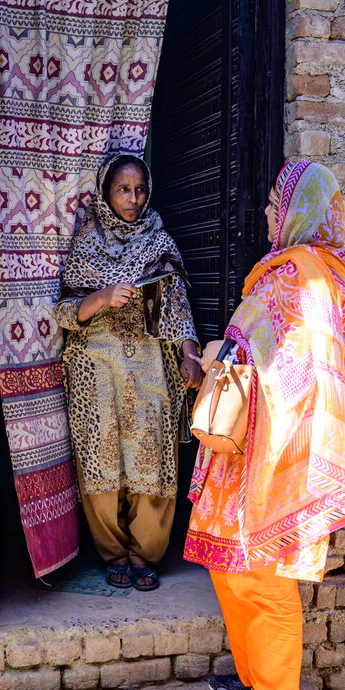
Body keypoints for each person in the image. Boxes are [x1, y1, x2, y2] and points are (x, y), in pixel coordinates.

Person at [184, 160, 345, 690]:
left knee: (265, 572)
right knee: (232, 562)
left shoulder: (304, 275)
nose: (265, 212)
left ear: (298, 210)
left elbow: (298, 364)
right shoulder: (303, 271)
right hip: (254, 439)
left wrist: (225, 358)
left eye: (272, 203)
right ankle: (255, 675)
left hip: (276, 445)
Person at [54, 154, 203, 591]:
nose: (133, 199)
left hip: (149, 369)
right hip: (94, 371)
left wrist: (190, 356)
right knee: (101, 460)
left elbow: (178, 312)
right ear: (106, 192)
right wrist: (100, 297)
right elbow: (64, 311)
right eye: (123, 189)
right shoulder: (86, 244)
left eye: (139, 190)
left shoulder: (160, 242)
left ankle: (145, 555)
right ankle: (115, 553)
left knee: (150, 460)